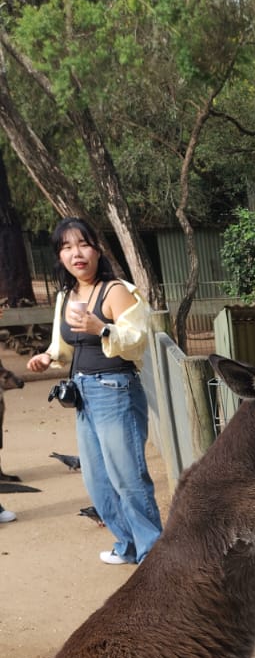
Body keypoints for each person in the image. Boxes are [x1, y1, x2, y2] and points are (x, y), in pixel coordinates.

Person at [27, 218, 162, 566]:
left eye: (83, 244)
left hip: (116, 390)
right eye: (67, 247)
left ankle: (154, 555)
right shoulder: (66, 296)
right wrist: (47, 356)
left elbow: (136, 341)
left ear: (97, 249)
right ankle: (127, 545)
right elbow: (66, 347)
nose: (77, 254)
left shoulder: (116, 290)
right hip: (84, 394)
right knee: (98, 481)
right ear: (59, 256)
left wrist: (102, 328)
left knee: (128, 478)